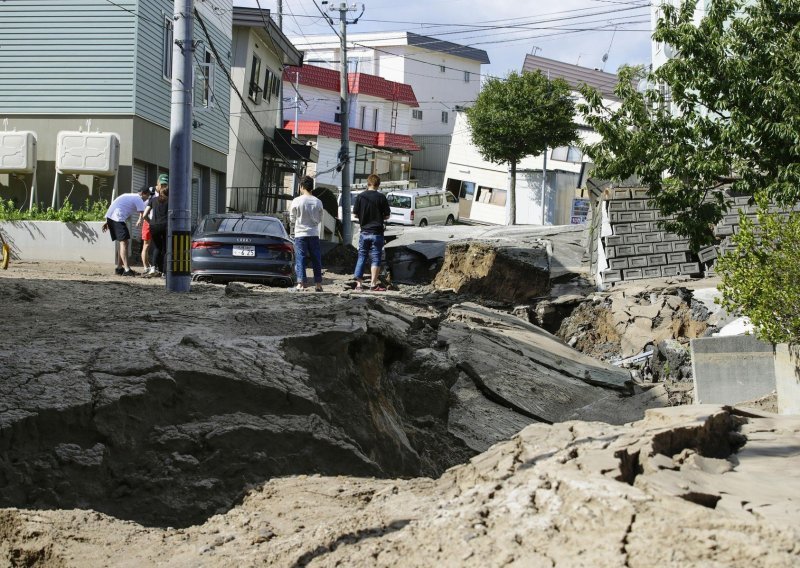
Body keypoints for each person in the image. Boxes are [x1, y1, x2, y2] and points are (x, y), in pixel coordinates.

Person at [352, 173, 390, 291]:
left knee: (362, 256)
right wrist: (379, 217)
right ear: (378, 185)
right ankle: (373, 284)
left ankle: (359, 284)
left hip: (364, 232)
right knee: (376, 257)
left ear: (367, 183)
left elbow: (355, 214)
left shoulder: (361, 197)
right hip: (377, 233)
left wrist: (364, 217)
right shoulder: (381, 197)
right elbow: (387, 216)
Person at [102, 186, 151, 276]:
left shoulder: (129, 195)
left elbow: (114, 204)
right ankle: (127, 269)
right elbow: (143, 214)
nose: (148, 197)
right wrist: (149, 223)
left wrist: (107, 221)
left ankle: (119, 268)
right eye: (148, 195)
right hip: (117, 219)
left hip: (112, 218)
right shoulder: (138, 199)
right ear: (143, 193)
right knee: (124, 243)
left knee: (123, 243)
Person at [289, 175, 324, 292]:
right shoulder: (318, 202)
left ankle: (301, 283)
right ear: (312, 187)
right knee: (316, 259)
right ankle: (318, 284)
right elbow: (319, 219)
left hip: (300, 234)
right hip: (313, 233)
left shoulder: (296, 201)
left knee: (301, 259)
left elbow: (292, 218)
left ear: (301, 186)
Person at [136, 174, 169, 276]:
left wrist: (150, 222)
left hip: (153, 226)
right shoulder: (170, 200)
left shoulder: (153, 199)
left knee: (157, 248)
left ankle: (153, 268)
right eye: (162, 184)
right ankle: (163, 271)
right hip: (165, 226)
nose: (163, 186)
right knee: (164, 248)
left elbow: (145, 214)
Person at [138, 185, 156, 274]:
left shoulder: (150, 200)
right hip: (148, 223)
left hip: (151, 223)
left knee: (148, 246)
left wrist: (139, 219)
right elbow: (142, 212)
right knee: (146, 246)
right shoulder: (149, 201)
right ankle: (146, 267)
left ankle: (147, 266)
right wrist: (140, 219)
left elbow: (142, 212)